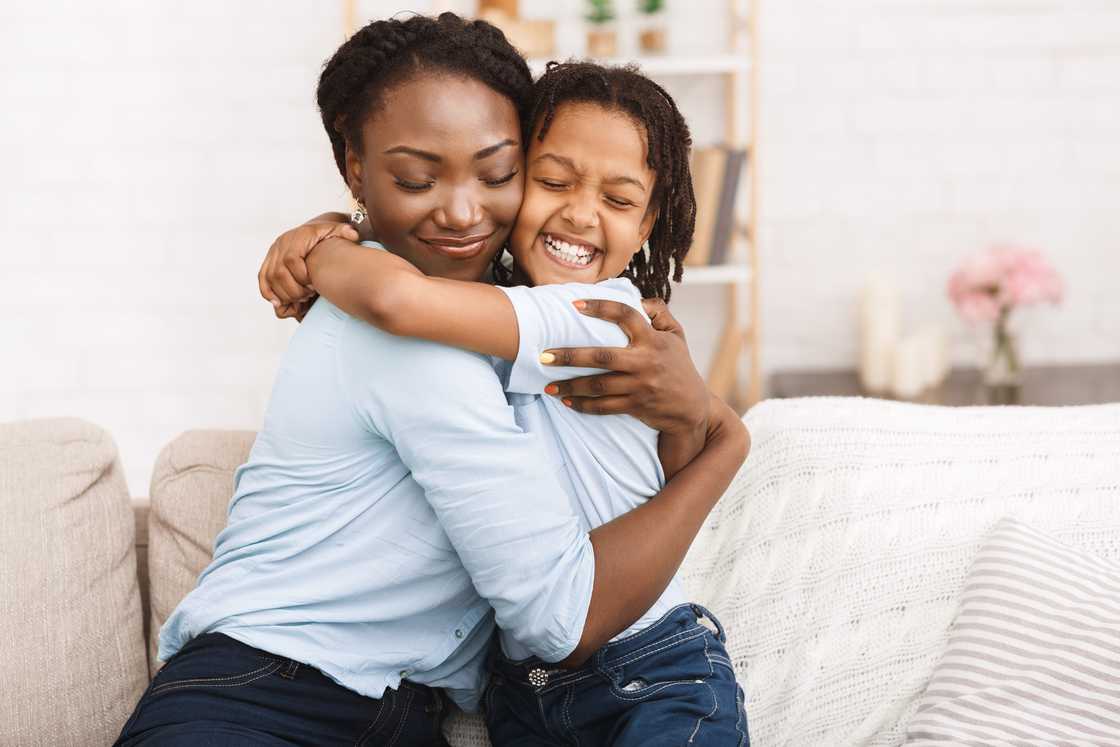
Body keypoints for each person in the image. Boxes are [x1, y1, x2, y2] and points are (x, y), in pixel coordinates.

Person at [114, 14, 747, 746]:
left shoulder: (544, 315)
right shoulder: (414, 323)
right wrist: (331, 245)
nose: (461, 210)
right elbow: (560, 614)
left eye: (497, 173)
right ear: (356, 169)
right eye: (417, 177)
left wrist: (707, 420)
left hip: (415, 713)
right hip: (260, 699)